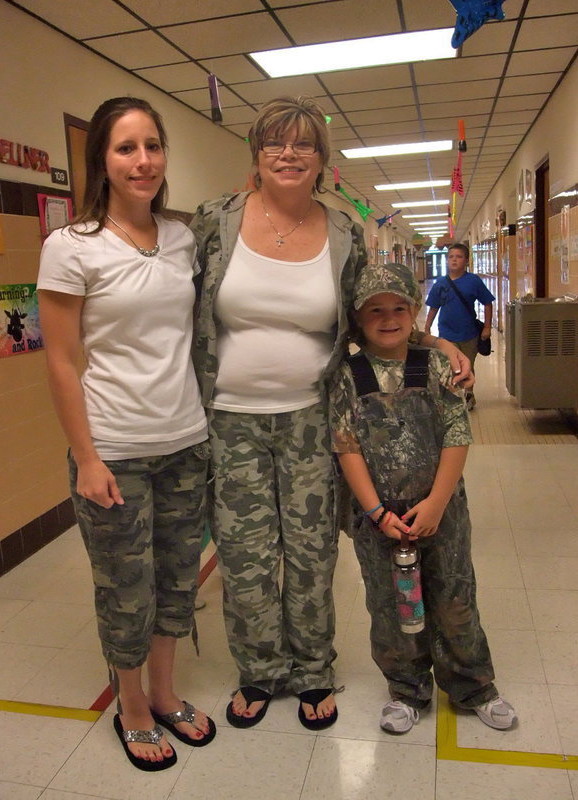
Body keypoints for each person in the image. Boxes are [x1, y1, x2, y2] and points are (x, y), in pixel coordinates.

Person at [190, 95, 474, 731]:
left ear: (321, 158)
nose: (288, 155)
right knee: (245, 554)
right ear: (256, 155)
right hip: (229, 421)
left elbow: (377, 317)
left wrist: (438, 342)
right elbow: (174, 310)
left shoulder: (343, 231)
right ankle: (261, 670)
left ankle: (314, 669)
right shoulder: (215, 222)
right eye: (274, 143)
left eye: (304, 144)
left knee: (313, 550)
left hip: (313, 421)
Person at [37, 97, 216, 771]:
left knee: (176, 582)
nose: (142, 161)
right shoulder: (71, 246)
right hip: (113, 448)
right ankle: (132, 706)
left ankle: (167, 692)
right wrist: (85, 457)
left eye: (151, 145)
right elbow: (59, 359)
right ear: (101, 162)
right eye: (125, 148)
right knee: (125, 587)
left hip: (185, 441)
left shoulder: (183, 237)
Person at [329, 261, 517, 735]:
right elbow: (346, 448)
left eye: (398, 307)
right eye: (375, 310)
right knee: (392, 607)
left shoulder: (437, 365)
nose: (388, 318)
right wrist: (375, 512)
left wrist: (436, 503)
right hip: (379, 521)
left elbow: (457, 435)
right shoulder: (348, 375)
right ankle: (406, 689)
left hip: (443, 512)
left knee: (455, 597)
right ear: (357, 318)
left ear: (414, 312)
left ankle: (474, 686)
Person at [424, 242, 494, 410]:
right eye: (451, 257)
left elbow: (488, 303)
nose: (454, 260)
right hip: (446, 333)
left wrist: (487, 327)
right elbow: (433, 307)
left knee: (468, 365)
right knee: (450, 365)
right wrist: (426, 328)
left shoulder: (473, 281)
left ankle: (469, 394)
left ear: (467, 261)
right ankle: (453, 396)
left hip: (469, 334)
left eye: (459, 257)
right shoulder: (441, 283)